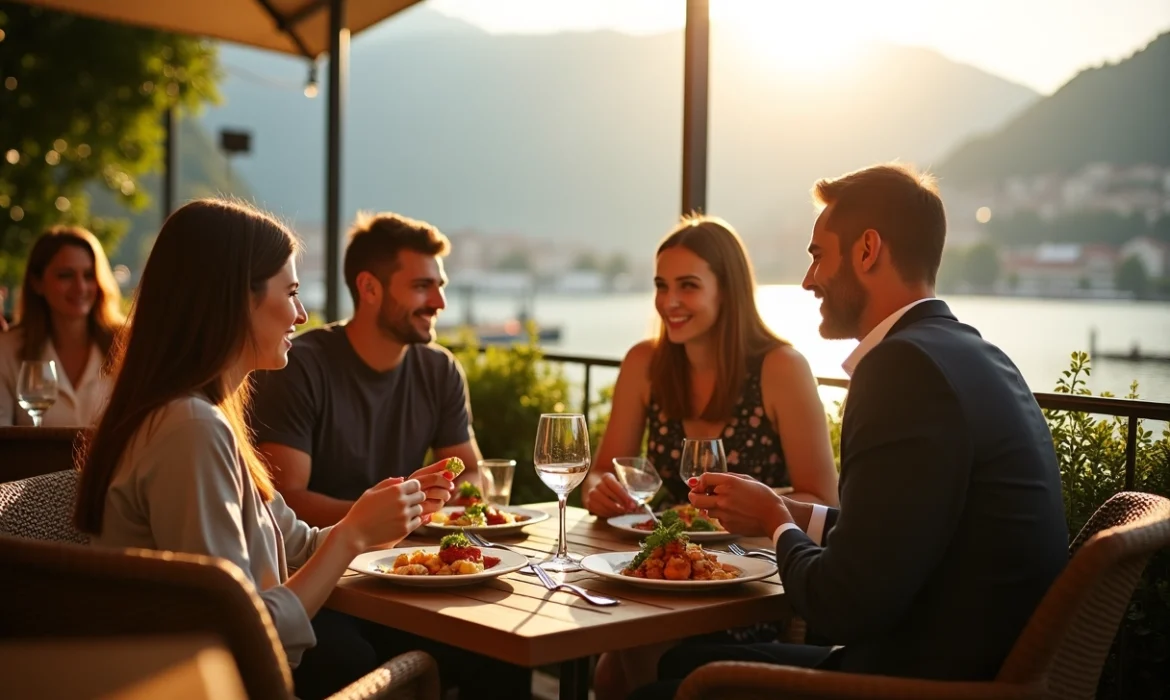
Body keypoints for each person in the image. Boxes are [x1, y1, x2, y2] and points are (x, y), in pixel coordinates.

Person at [631, 164, 1069, 699]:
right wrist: (793, 512)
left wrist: (772, 522)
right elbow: (897, 532)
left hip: (913, 684)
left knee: (652, 690)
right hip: (961, 664)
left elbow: (840, 606)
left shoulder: (901, 370)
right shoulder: (973, 353)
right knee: (680, 659)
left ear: (867, 250)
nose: (807, 279)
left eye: (817, 255)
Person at [72, 199, 457, 698]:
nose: (301, 313)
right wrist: (351, 537)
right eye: (291, 292)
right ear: (234, 300)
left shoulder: (201, 419)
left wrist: (374, 519)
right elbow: (241, 636)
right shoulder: (190, 429)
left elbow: (295, 548)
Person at [584, 215, 840, 699]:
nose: (669, 302)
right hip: (660, 574)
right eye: (661, 285)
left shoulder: (781, 367)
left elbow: (824, 498)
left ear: (728, 291)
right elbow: (602, 469)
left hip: (745, 586)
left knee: (622, 666)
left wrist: (746, 508)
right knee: (614, 663)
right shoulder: (645, 364)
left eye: (688, 286)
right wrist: (600, 489)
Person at [250, 211, 483, 528]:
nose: (439, 302)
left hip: (408, 560)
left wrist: (425, 511)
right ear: (369, 288)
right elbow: (286, 499)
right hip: (314, 562)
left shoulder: (440, 369)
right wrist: (397, 514)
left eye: (440, 286)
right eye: (421, 286)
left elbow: (470, 471)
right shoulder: (298, 367)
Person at [0, 226, 125, 426]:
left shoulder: (127, 345)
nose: (80, 287)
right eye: (65, 275)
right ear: (37, 283)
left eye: (89, 275)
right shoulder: (6, 350)